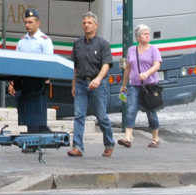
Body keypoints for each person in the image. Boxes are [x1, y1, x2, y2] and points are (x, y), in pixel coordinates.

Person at [69, 11, 115, 157]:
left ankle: (109, 143)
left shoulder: (103, 44)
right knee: (78, 115)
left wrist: (98, 79)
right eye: (84, 23)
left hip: (98, 84)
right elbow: (74, 67)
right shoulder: (77, 44)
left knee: (101, 116)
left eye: (89, 23)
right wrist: (74, 85)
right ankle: (77, 147)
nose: (86, 25)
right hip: (82, 83)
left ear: (96, 25)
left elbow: (106, 64)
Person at [8, 8, 53, 132]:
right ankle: (42, 134)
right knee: (24, 110)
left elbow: (49, 63)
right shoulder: (22, 42)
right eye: (26, 22)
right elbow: (16, 63)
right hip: (23, 83)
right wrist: (11, 82)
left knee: (37, 112)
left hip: (38, 84)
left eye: (30, 22)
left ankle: (35, 139)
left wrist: (47, 81)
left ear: (38, 23)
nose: (27, 25)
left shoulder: (44, 41)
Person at [119, 24, 162, 148]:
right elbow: (128, 68)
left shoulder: (154, 49)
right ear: (138, 37)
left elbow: (157, 66)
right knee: (131, 109)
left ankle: (155, 138)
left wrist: (146, 74)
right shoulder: (131, 50)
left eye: (148, 34)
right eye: (145, 34)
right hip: (134, 85)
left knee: (151, 111)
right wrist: (124, 84)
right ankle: (128, 138)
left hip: (149, 86)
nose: (148, 36)